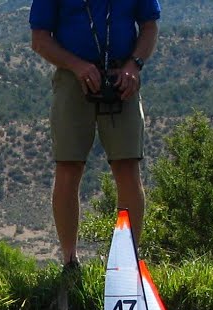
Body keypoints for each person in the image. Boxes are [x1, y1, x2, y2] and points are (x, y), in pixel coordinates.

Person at [29, 0, 159, 267]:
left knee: (127, 166)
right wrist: (77, 66)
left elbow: (149, 25)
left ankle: (127, 261)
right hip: (71, 80)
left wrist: (134, 66)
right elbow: (40, 39)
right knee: (68, 166)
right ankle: (69, 261)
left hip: (123, 79)